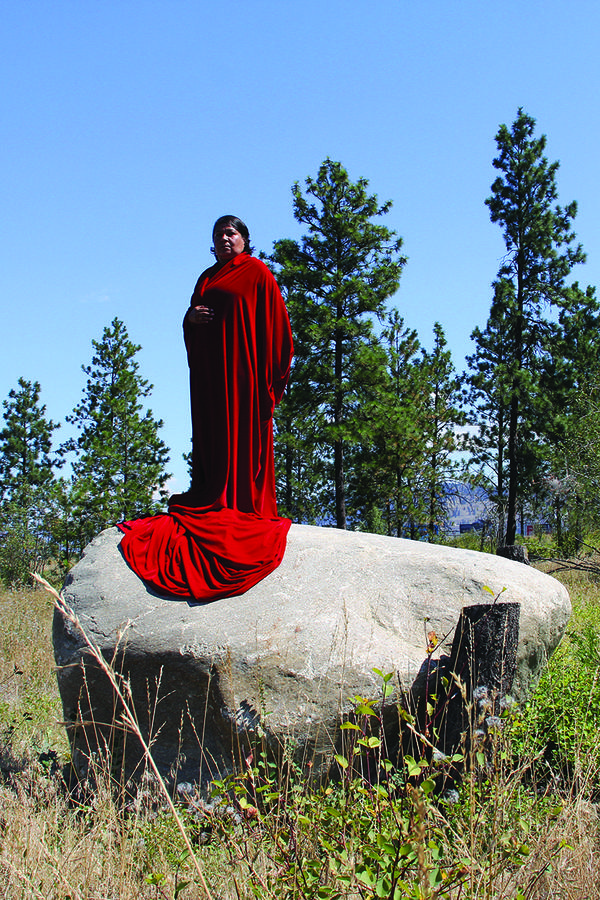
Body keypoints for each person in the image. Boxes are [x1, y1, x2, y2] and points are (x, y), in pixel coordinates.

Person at [118, 216, 294, 601]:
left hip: (246, 378)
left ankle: (243, 501)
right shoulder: (205, 278)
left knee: (244, 440)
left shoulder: (258, 274)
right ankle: (214, 492)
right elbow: (193, 320)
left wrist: (271, 383)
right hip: (214, 379)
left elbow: (280, 328)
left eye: (231, 233)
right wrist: (190, 319)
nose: (224, 239)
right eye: (218, 235)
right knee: (214, 438)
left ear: (245, 240)